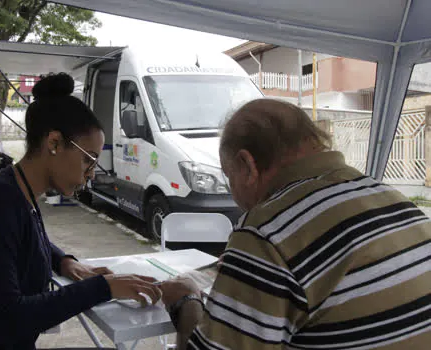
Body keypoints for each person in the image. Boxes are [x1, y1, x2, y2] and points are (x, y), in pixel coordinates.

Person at [159, 99, 431, 349]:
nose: (233, 191)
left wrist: (186, 301)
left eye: (229, 176)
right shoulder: (393, 199)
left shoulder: (265, 231)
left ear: (247, 165)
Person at [0, 73, 161, 350]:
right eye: (88, 160)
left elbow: (25, 237)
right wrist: (103, 287)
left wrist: (63, 261)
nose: (91, 174)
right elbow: (4, 321)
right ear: (54, 143)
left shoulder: (17, 192)